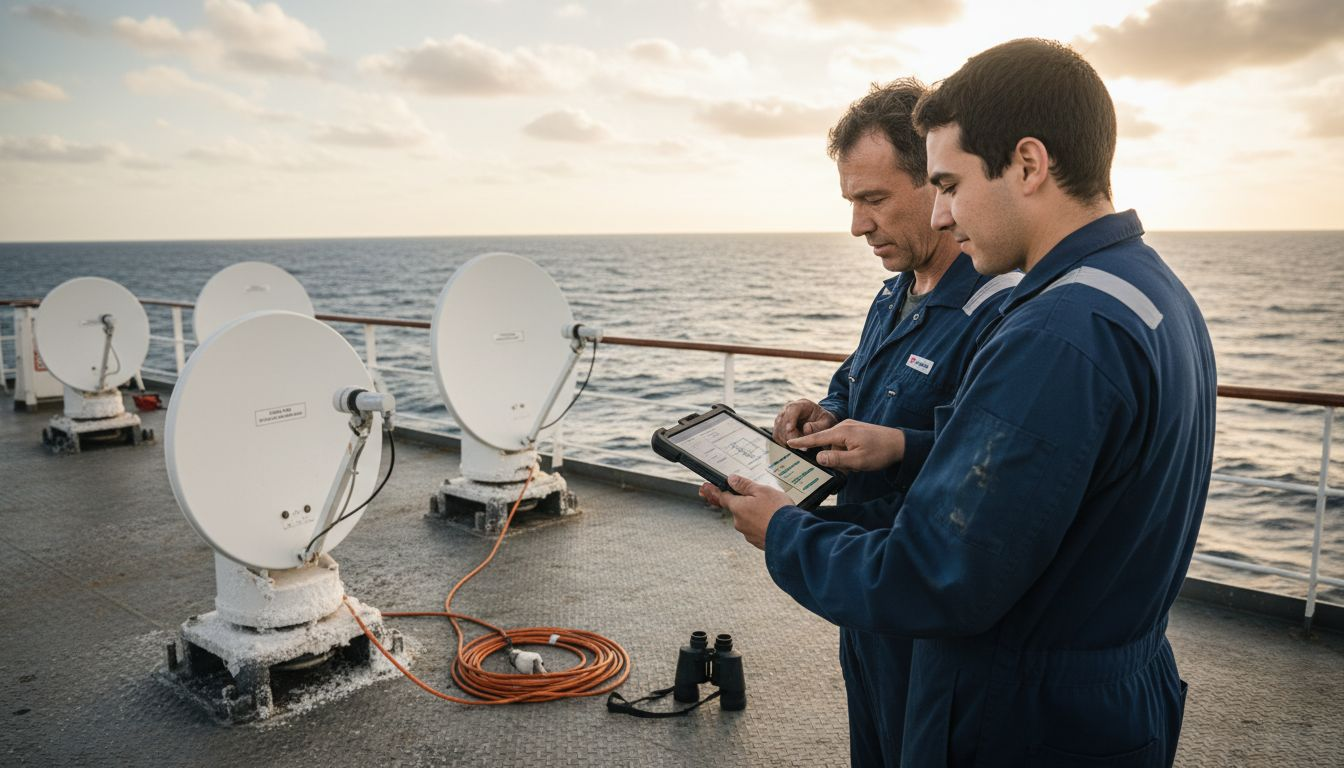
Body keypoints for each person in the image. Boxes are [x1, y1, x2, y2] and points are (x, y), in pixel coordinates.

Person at [704, 38, 1216, 767]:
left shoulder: (1056, 336)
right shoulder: (1150, 292)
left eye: (949, 183)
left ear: (1029, 166)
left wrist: (784, 532)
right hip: (1104, 696)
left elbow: (935, 574)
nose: (943, 216)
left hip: (1021, 718)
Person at [771, 79, 1019, 766]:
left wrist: (900, 448)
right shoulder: (893, 297)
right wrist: (824, 417)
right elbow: (855, 391)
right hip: (868, 601)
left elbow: (999, 466)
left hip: (933, 613)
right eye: (852, 201)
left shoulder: (999, 310)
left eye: (873, 199)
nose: (858, 225)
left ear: (935, 186)